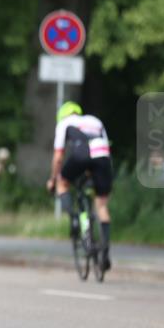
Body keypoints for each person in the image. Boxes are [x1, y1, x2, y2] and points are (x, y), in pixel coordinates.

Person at [46, 101, 113, 271]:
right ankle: (105, 251)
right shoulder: (96, 121)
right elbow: (105, 147)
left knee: (63, 183)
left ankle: (75, 219)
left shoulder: (64, 123)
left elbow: (58, 156)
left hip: (82, 154)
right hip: (103, 156)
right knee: (102, 205)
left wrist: (53, 179)